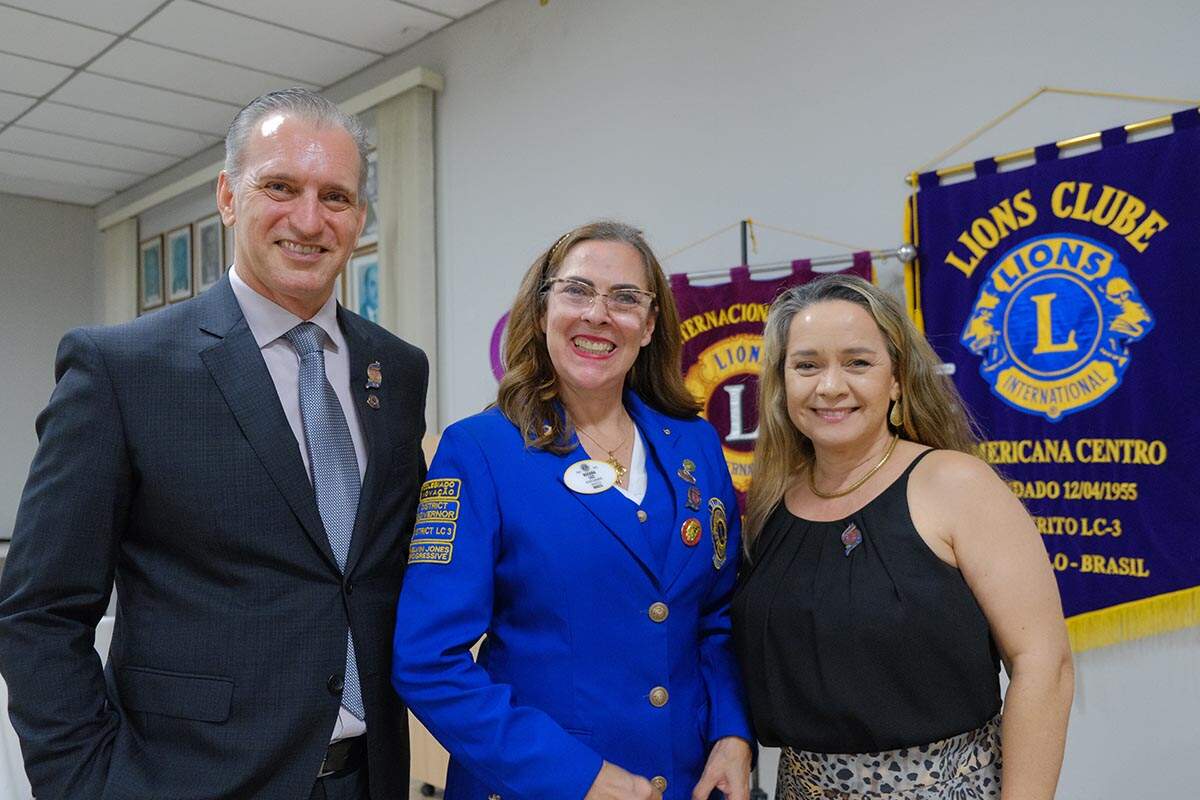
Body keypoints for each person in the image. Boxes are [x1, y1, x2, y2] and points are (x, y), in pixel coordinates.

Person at [0, 89, 428, 800]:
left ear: (359, 217)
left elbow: (385, 569)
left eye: (337, 197)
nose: (309, 219)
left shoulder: (397, 369)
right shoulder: (124, 369)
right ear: (229, 196)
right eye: (281, 187)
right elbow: (40, 612)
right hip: (190, 780)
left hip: (370, 777)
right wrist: (88, 786)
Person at [391, 221, 753, 800]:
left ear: (650, 323)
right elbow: (429, 662)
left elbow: (715, 619)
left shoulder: (695, 446)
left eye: (625, 299)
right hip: (536, 785)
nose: (599, 314)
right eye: (577, 291)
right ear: (541, 313)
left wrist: (732, 733)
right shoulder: (481, 451)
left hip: (684, 780)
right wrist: (573, 776)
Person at [732, 274, 1074, 800]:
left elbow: (1043, 664)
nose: (830, 386)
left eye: (858, 362)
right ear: (782, 383)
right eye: (806, 365)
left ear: (896, 379)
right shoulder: (771, 504)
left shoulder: (957, 485)